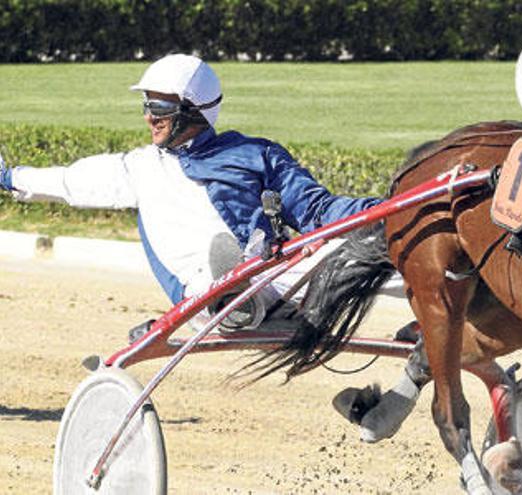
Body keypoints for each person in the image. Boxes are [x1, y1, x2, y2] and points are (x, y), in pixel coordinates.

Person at [0, 53, 426, 443]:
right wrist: (10, 177)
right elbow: (70, 182)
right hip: (203, 292)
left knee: (377, 248)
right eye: (146, 105)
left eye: (159, 107)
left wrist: (395, 211)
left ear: (193, 110)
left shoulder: (255, 154)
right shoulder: (137, 168)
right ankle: (236, 297)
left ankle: (435, 301)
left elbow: (320, 209)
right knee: (220, 268)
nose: (149, 117)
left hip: (274, 278)